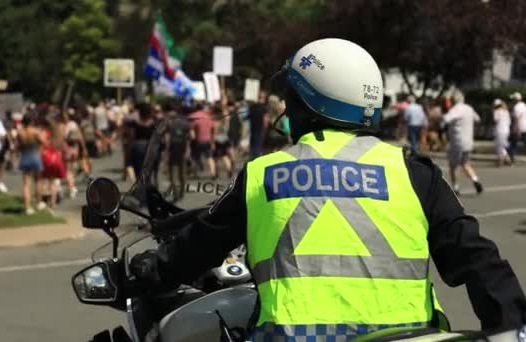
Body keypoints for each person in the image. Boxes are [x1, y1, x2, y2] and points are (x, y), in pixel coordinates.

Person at [129, 39, 526, 340]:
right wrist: (508, 329)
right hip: (409, 335)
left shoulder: (264, 174)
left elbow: (199, 244)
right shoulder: (412, 171)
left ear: (306, 105)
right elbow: (476, 257)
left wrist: (154, 269)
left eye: (290, 100)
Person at [443, 91, 483, 195]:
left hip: (457, 142)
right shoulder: (469, 108)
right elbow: (477, 118)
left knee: (453, 166)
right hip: (468, 141)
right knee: (465, 163)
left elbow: (445, 119)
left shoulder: (455, 109)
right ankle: (475, 180)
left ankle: (455, 188)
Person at [17, 114, 44, 215]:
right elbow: (43, 142)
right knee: (38, 181)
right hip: (35, 155)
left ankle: (27, 207)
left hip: (24, 156)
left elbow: (18, 146)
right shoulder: (35, 131)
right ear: (31, 121)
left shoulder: (20, 133)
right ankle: (39, 202)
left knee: (26, 184)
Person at [165, 102, 191, 201]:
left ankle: (176, 193)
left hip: (173, 149)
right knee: (182, 172)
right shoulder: (185, 122)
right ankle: (181, 192)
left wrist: (166, 152)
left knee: (173, 173)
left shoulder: (168, 123)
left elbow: (167, 138)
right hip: (183, 148)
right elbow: (191, 137)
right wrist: (188, 150)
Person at [189, 103, 216, 178]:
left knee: (195, 157)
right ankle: (213, 173)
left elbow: (191, 130)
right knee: (210, 157)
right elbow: (213, 128)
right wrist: (212, 140)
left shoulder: (193, 116)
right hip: (207, 140)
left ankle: (195, 174)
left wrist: (192, 139)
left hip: (197, 141)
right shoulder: (208, 116)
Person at [248, 91, 270, 159]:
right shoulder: (264, 108)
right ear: (264, 98)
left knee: (253, 150)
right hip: (260, 131)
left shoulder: (252, 107)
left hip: (252, 131)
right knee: (259, 150)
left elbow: (249, 119)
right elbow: (265, 121)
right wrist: (265, 131)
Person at [493, 99, 511, 167]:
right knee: (502, 145)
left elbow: (495, 120)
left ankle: (500, 161)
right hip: (506, 130)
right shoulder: (506, 111)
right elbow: (509, 122)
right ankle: (507, 159)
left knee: (499, 146)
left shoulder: (496, 111)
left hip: (499, 130)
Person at [509, 92, 526, 162]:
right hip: (525, 127)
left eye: (513, 99)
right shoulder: (524, 105)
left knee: (513, 144)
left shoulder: (516, 107)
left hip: (519, 128)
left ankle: (512, 159)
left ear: (516, 99)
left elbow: (516, 119)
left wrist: (515, 129)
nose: (512, 100)